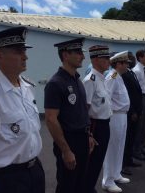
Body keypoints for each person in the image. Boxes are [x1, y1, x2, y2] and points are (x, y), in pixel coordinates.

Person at [0, 26, 45, 193]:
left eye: (24, 51)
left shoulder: (28, 87)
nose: (25, 56)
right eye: (18, 51)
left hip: (35, 170)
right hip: (8, 179)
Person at [44, 38, 96, 193]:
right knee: (67, 185)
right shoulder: (55, 83)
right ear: (65, 55)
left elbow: (81, 111)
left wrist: (89, 134)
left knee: (80, 182)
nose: (83, 56)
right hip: (68, 140)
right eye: (78, 52)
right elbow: (51, 119)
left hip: (82, 138)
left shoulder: (77, 79)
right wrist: (66, 150)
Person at [83, 45, 112, 193]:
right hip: (95, 126)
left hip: (104, 124)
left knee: (99, 160)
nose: (108, 61)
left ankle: (90, 187)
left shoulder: (102, 78)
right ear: (95, 59)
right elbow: (85, 110)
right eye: (105, 58)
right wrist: (88, 134)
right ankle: (86, 188)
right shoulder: (90, 80)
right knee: (92, 162)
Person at [102, 51, 131, 193]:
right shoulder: (112, 77)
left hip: (122, 115)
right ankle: (107, 181)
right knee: (112, 148)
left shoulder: (118, 76)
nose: (127, 66)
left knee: (120, 146)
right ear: (118, 64)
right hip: (114, 116)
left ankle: (116, 174)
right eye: (125, 63)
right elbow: (106, 98)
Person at [121, 52, 143, 175]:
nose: (132, 61)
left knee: (132, 137)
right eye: (130, 59)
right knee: (127, 138)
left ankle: (129, 160)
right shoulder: (123, 75)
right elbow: (128, 95)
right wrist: (133, 110)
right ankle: (123, 164)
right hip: (130, 112)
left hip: (136, 110)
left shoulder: (130, 72)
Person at [132, 50, 145, 161]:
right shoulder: (136, 70)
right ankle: (136, 151)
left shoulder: (143, 69)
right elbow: (137, 88)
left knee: (144, 124)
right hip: (140, 99)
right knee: (139, 126)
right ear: (139, 58)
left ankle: (140, 148)